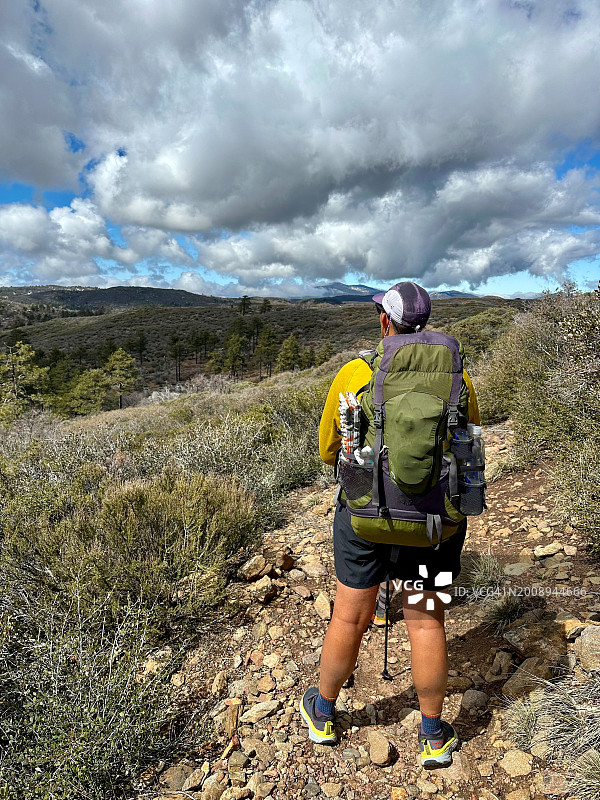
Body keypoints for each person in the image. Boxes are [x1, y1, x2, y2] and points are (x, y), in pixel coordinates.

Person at [299, 282, 481, 768]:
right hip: (434, 524)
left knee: (349, 615)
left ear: (386, 322)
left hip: (364, 517)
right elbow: (466, 451)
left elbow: (326, 451)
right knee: (426, 621)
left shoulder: (355, 374)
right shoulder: (457, 379)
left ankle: (322, 713)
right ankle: (433, 735)